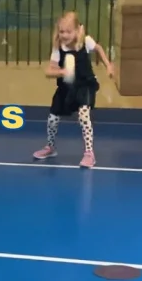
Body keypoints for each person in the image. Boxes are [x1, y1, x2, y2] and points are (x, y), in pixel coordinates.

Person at [32, 11, 113, 168]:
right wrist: (61, 72)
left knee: (83, 115)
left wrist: (108, 65)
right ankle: (50, 147)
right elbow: (49, 71)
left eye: (68, 31)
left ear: (77, 30)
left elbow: (99, 49)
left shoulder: (85, 42)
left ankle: (89, 153)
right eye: (62, 31)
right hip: (66, 87)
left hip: (85, 84)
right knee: (52, 119)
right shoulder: (58, 48)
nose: (65, 35)